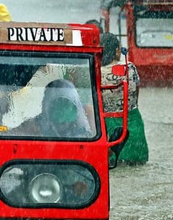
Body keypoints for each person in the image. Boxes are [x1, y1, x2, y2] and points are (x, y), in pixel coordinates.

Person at [100, 32, 149, 165]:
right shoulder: (130, 68)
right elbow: (135, 98)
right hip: (133, 126)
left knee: (114, 167)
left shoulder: (96, 72)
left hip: (111, 131)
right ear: (116, 50)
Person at [12, 79, 92, 138]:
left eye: (65, 104)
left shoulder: (88, 114)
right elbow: (10, 134)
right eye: (57, 104)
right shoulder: (35, 124)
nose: (62, 113)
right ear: (45, 106)